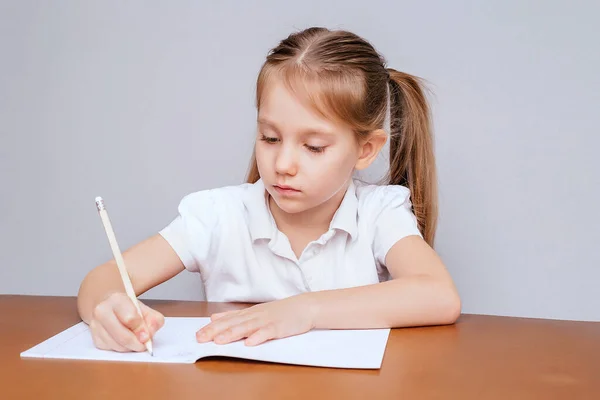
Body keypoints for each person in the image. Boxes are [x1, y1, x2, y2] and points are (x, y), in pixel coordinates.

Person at [77, 26, 461, 353]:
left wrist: (304, 310)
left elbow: (439, 295)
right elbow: (102, 279)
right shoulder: (217, 215)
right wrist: (109, 308)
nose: (283, 165)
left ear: (365, 150)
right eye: (270, 137)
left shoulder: (379, 213)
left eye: (313, 147)